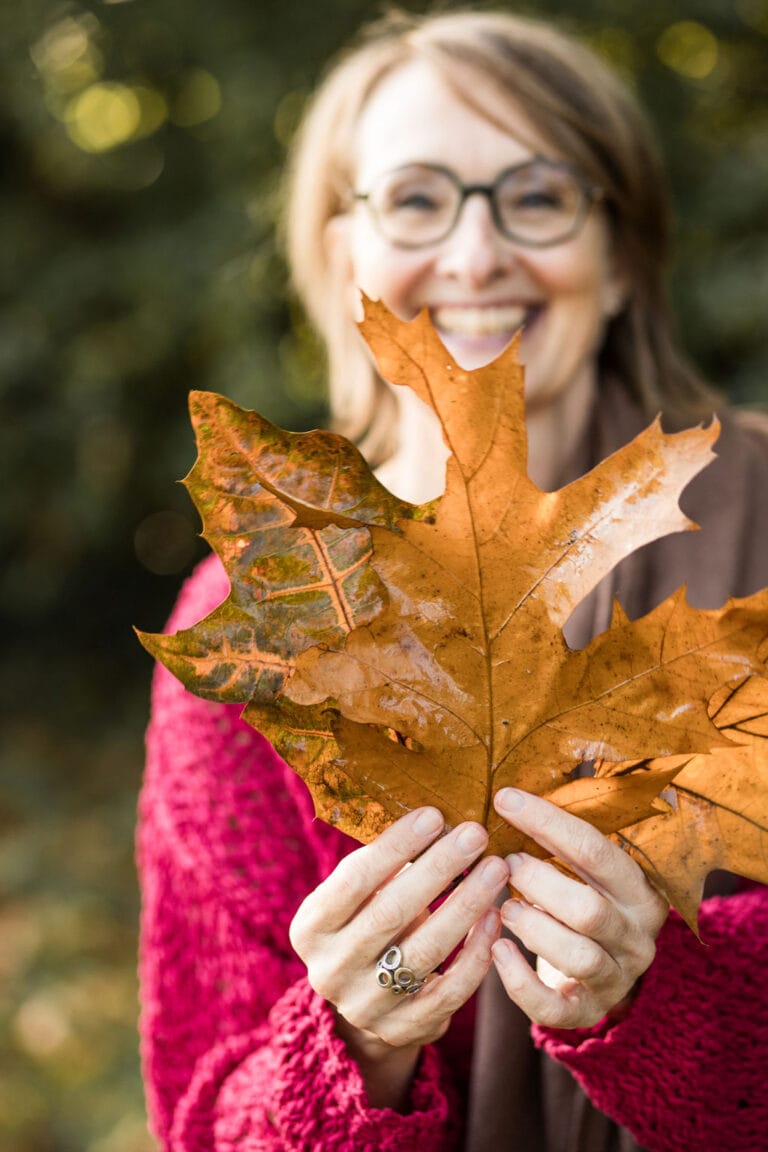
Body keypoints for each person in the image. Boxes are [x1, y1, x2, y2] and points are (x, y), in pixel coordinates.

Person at [137, 10, 768, 1151]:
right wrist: (357, 1046)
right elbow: (204, 1118)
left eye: (536, 197)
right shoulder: (257, 628)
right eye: (418, 200)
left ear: (620, 256)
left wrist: (661, 1002)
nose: (477, 256)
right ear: (344, 257)